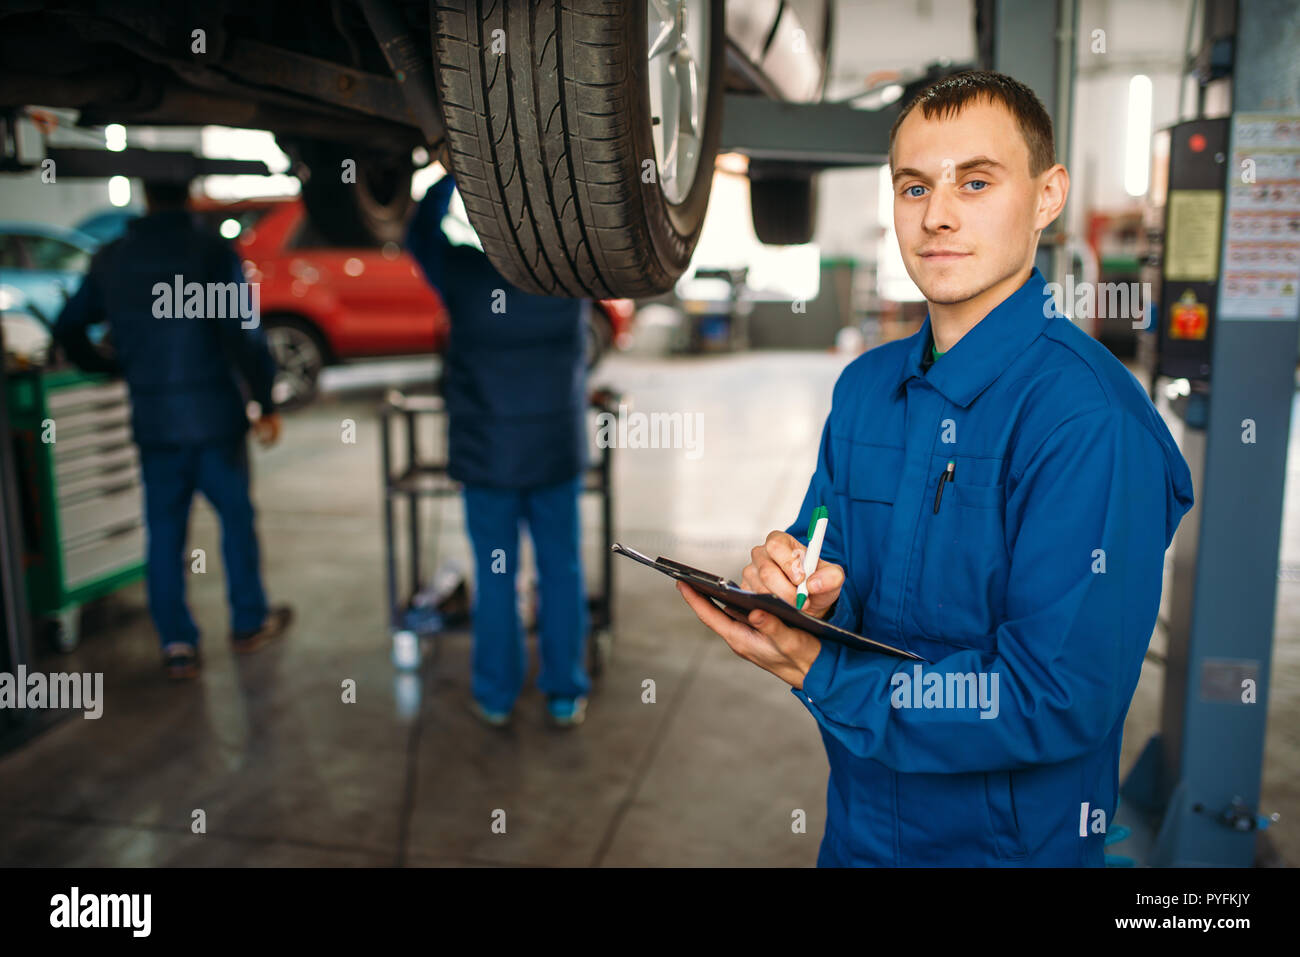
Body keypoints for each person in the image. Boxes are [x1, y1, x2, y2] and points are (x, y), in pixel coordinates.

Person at [676, 71, 1195, 866]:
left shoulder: (1089, 422)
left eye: (976, 181)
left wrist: (828, 675)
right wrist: (802, 584)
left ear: (1048, 195)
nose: (938, 215)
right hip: (857, 837)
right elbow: (830, 551)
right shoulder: (866, 387)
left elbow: (1055, 696)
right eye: (913, 186)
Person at [52, 178, 293, 680]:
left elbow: (69, 327)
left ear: (144, 193)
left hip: (155, 422)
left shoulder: (113, 256)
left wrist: (106, 366)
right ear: (188, 194)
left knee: (164, 533)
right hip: (214, 421)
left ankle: (177, 644)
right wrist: (266, 399)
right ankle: (248, 624)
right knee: (236, 522)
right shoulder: (209, 252)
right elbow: (245, 334)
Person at [406, 167, 591, 729]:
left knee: (495, 575)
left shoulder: (463, 272)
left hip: (487, 458)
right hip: (555, 453)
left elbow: (419, 235)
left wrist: (454, 171)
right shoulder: (570, 274)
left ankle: (495, 694)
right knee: (561, 572)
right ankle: (563, 692)